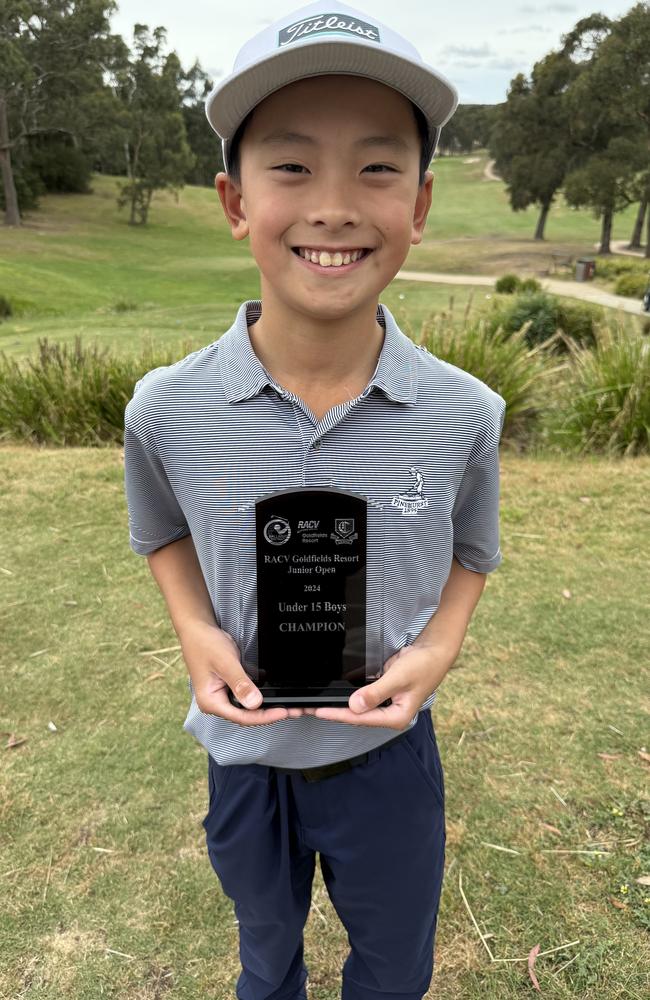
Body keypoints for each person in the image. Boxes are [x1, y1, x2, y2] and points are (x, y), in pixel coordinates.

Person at [123, 3, 506, 997]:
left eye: (376, 168)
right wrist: (193, 629)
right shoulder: (165, 407)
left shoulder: (464, 411)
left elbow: (472, 551)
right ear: (232, 200)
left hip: (385, 757)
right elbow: (159, 525)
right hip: (243, 755)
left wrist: (438, 648)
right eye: (290, 166)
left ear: (418, 205)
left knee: (390, 971)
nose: (333, 205)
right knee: (265, 959)